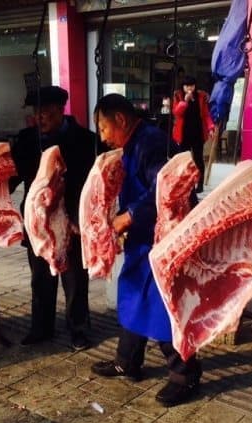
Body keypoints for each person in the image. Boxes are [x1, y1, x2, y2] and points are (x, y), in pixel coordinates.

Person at [90, 94, 202, 407]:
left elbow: (164, 191)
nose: (102, 136)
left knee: (160, 308)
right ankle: (127, 360)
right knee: (131, 297)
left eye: (103, 128)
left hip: (160, 238)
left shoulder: (151, 142)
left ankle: (186, 374)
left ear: (121, 120)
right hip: (142, 240)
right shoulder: (133, 142)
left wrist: (130, 215)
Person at [10, 86, 100, 351]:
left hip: (70, 220)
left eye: (46, 112)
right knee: (40, 279)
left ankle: (79, 330)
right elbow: (11, 179)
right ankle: (41, 328)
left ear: (61, 111)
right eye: (36, 112)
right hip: (38, 222)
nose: (40, 117)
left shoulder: (85, 139)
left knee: (74, 280)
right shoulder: (26, 140)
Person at [172, 76, 216, 193]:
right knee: (183, 160)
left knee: (198, 159)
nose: (189, 88)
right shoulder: (178, 96)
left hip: (197, 132)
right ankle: (184, 183)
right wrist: (185, 101)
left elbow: (206, 115)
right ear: (183, 87)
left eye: (191, 86)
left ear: (195, 86)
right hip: (183, 133)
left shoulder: (201, 96)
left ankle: (200, 184)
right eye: (186, 86)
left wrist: (211, 127)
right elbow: (176, 113)